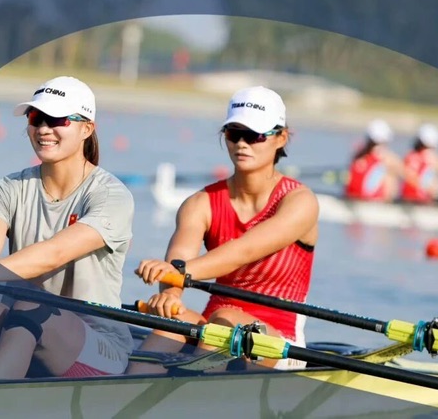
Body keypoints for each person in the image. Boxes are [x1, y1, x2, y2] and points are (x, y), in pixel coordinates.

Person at [0, 76, 135, 382]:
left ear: (87, 129)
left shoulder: (111, 196)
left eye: (57, 120)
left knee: (31, 305)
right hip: (20, 330)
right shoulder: (7, 188)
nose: (44, 129)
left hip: (99, 345)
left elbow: (55, 253)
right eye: (36, 118)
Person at [127, 86, 318, 373]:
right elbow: (179, 260)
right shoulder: (199, 204)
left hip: (280, 342)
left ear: (281, 138)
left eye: (254, 135)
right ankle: (127, 388)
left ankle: (190, 386)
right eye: (234, 133)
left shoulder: (300, 202)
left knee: (225, 319)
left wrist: (176, 272)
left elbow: (244, 251)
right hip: (214, 327)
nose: (242, 144)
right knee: (172, 324)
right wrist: (170, 296)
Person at [343, 119, 418, 202]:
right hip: (375, 202)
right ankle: (389, 203)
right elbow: (411, 178)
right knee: (390, 174)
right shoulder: (387, 157)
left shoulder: (358, 155)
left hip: (351, 198)